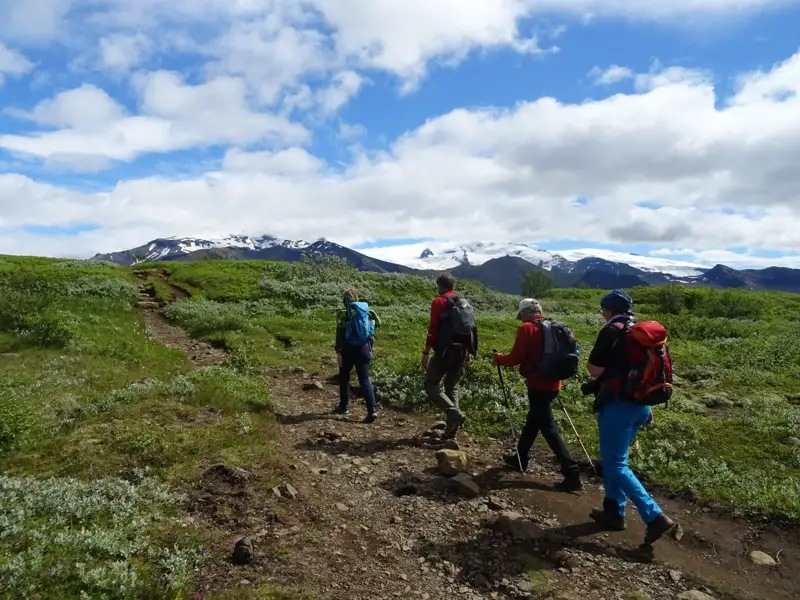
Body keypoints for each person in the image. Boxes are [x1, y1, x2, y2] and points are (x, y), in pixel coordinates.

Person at [584, 289, 675, 546]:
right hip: (641, 406)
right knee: (616, 459)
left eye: (603, 308)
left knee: (616, 465)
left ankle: (654, 515)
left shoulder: (612, 331)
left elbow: (593, 370)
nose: (602, 313)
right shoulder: (641, 333)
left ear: (610, 309)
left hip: (616, 406)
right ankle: (614, 511)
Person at [494, 298, 583, 492]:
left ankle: (572, 472)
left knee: (548, 427)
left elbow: (515, 358)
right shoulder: (557, 327)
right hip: (554, 383)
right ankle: (520, 458)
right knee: (534, 421)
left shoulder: (527, 329)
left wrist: (499, 358)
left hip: (537, 384)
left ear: (525, 313)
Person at [422, 272, 478, 440]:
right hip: (462, 351)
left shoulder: (439, 302)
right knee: (451, 387)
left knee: (431, 384)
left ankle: (454, 414)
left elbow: (433, 329)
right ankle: (450, 432)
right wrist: (470, 351)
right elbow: (472, 329)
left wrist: (425, 352)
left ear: (440, 286)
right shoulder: (464, 303)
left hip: (445, 352)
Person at [333, 288, 381, 423]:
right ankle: (372, 410)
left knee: (344, 378)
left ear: (344, 301)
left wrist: (339, 351)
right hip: (364, 349)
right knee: (365, 379)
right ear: (357, 299)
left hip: (348, 350)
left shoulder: (343, 315)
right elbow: (378, 324)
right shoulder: (369, 312)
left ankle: (344, 407)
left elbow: (340, 335)